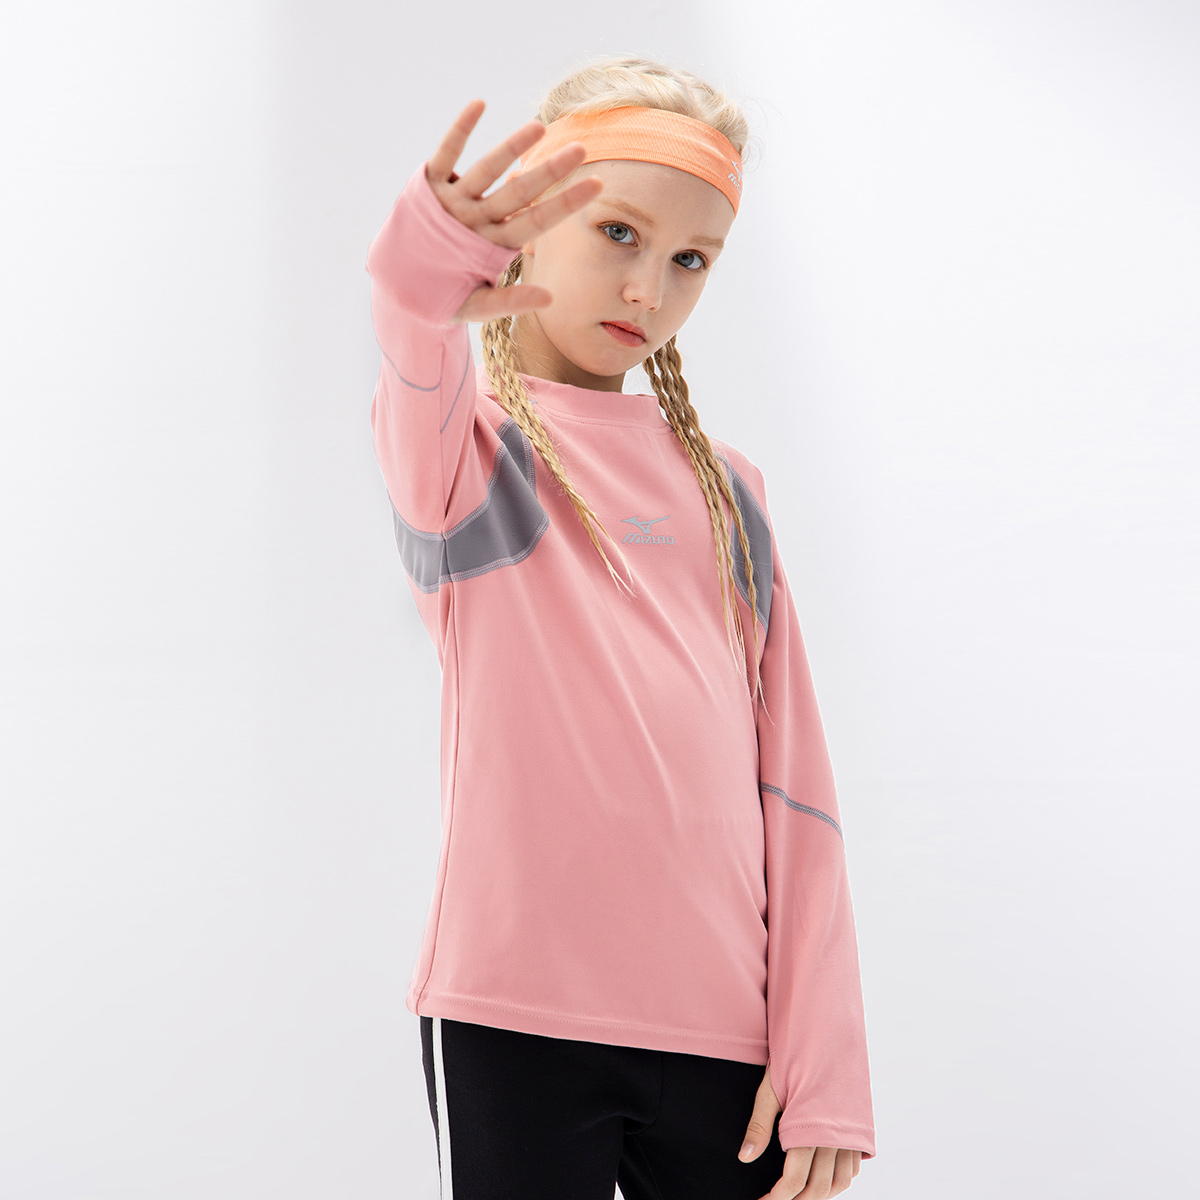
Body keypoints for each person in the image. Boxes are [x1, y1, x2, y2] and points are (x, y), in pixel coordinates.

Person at [365, 53, 876, 1200]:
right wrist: (431, 256)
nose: (648, 288)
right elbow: (412, 337)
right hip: (516, 1016)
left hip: (731, 1040)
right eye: (618, 233)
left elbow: (795, 783)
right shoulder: (470, 457)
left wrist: (826, 1050)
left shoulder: (728, 488)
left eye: (691, 259)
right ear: (533, 221)